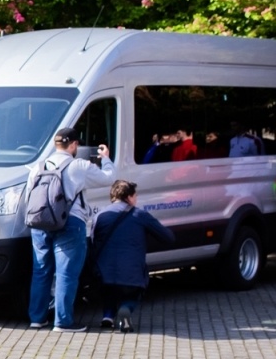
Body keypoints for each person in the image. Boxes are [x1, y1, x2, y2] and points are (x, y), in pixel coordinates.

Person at [27, 126, 115, 331]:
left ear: (56, 144)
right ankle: (63, 322)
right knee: (66, 273)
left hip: (40, 223)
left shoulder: (38, 166)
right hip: (70, 222)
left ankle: (37, 319)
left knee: (41, 271)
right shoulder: (79, 166)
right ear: (74, 144)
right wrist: (106, 159)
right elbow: (108, 178)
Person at [91, 180, 175, 333]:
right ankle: (126, 308)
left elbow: (93, 241)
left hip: (102, 275)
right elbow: (168, 238)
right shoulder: (140, 215)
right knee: (135, 288)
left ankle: (108, 317)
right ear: (129, 197)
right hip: (131, 275)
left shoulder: (99, 216)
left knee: (109, 289)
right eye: (135, 196)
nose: (136, 200)